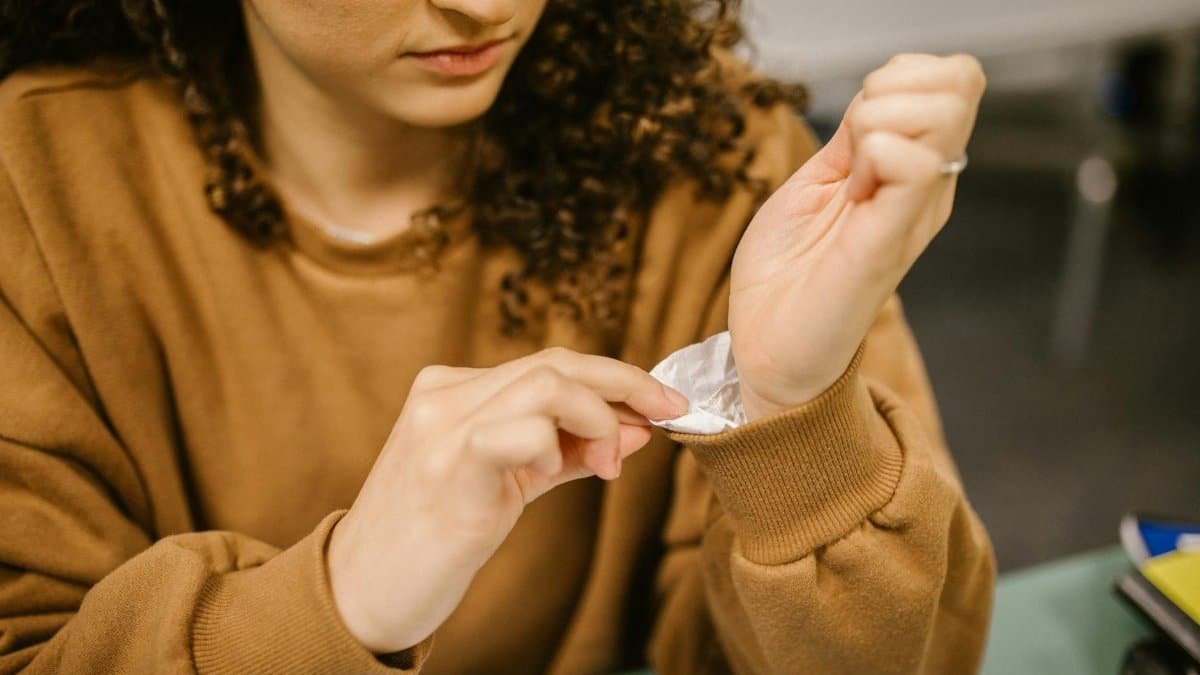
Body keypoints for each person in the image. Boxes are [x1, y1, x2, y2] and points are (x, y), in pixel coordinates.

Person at [0, 1, 994, 673]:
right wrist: (344, 601)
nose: (484, 2)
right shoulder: (32, 188)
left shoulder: (712, 156)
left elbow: (922, 653)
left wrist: (797, 419)